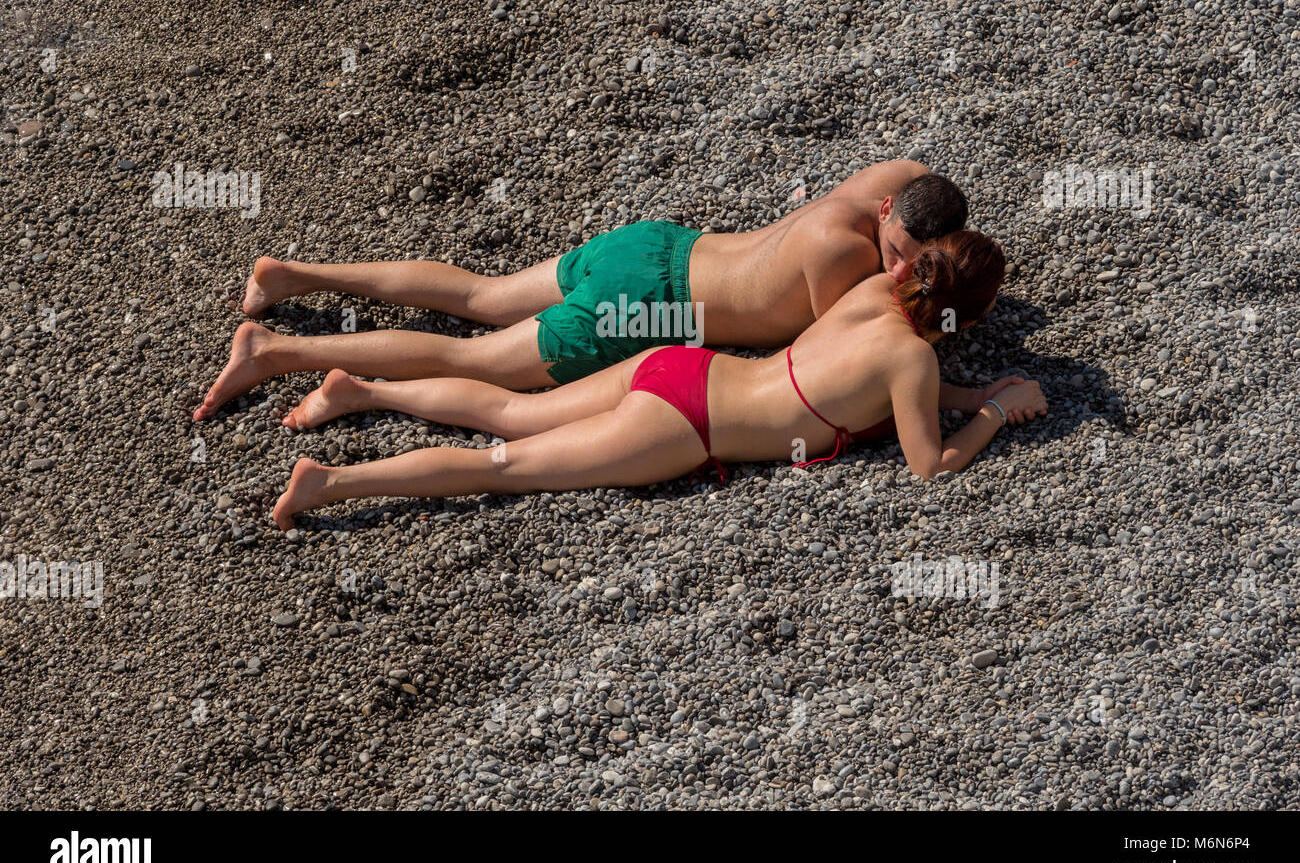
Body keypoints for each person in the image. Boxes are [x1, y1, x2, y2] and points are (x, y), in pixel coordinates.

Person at [271, 230, 1046, 530]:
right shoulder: (913, 357)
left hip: (680, 364)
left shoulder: (872, 296)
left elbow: (871, 380)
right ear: (962, 319)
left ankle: (364, 390)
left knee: (513, 410)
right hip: (685, 425)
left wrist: (965, 393)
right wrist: (995, 414)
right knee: (500, 465)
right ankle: (334, 481)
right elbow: (930, 468)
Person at [195, 159, 967, 419]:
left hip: (660, 242)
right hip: (650, 309)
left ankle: (292, 274)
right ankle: (277, 349)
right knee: (472, 360)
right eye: (893, 250)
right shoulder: (844, 262)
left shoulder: (896, 182)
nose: (896, 270)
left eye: (912, 261)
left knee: (481, 295)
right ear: (886, 217)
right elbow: (836, 358)